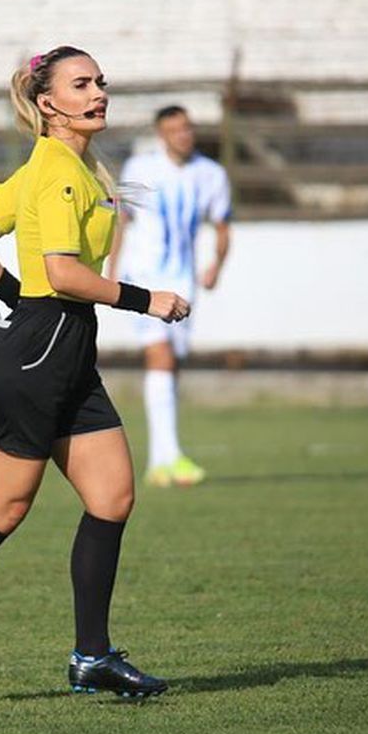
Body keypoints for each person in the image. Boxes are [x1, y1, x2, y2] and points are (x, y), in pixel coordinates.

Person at [0, 46, 189, 705]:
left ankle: (91, 657)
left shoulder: (58, 167)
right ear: (50, 103)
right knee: (4, 508)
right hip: (34, 360)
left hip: (60, 350)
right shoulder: (56, 170)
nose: (98, 92)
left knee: (111, 496)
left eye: (101, 81)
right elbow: (60, 273)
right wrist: (148, 299)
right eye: (81, 84)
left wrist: (23, 307)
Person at [106, 105, 232, 488]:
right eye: (174, 129)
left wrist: (216, 265)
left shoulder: (211, 174)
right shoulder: (140, 169)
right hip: (143, 276)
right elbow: (119, 218)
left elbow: (223, 225)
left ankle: (163, 461)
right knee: (159, 354)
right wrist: (112, 268)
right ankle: (169, 456)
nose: (183, 135)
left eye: (187, 128)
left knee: (171, 362)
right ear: (161, 134)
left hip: (184, 281)